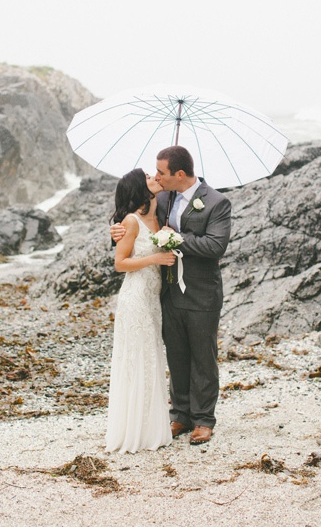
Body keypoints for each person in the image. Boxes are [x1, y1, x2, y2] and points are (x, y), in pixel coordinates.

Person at [111, 146, 232, 445]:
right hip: (165, 291)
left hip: (202, 291)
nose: (157, 177)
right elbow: (135, 225)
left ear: (179, 174)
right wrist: (114, 230)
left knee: (203, 356)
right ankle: (180, 414)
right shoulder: (161, 197)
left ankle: (204, 419)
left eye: (162, 173)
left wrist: (175, 238)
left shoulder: (217, 202)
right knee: (176, 355)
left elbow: (215, 246)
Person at [105, 168, 176, 453]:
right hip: (135, 298)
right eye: (148, 177)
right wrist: (156, 257)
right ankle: (133, 431)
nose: (155, 178)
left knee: (151, 359)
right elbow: (120, 263)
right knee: (137, 360)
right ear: (139, 188)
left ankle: (150, 427)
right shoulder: (131, 221)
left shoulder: (160, 215)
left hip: (153, 298)